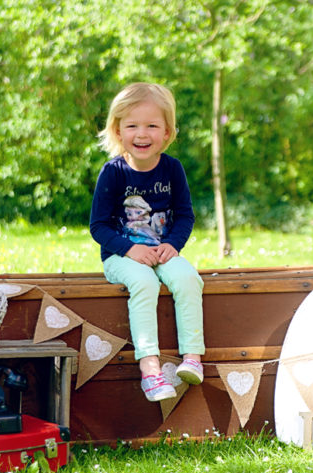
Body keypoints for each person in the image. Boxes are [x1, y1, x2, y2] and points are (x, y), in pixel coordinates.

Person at [90, 82, 205, 402]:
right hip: (120, 255)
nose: (142, 134)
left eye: (152, 125)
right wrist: (129, 249)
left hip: (162, 251)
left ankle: (193, 358)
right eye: (132, 126)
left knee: (187, 278)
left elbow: (184, 216)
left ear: (167, 132)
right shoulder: (113, 172)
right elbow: (98, 226)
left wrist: (173, 245)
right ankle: (150, 369)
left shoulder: (173, 170)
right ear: (117, 130)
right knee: (144, 283)